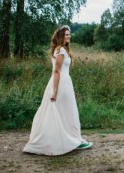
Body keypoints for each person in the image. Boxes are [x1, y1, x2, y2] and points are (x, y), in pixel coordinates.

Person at [23, 25, 93, 155]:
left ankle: (72, 138)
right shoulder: (60, 50)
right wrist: (54, 92)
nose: (69, 36)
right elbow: (56, 71)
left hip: (65, 83)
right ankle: (70, 140)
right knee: (65, 111)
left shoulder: (61, 49)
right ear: (61, 36)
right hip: (61, 84)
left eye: (69, 34)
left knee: (66, 112)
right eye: (66, 34)